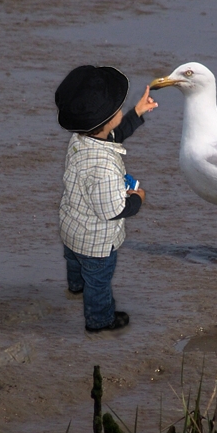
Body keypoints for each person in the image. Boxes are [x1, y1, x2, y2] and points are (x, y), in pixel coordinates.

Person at [55, 65, 158, 333]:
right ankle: (100, 320)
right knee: (99, 281)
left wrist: (136, 114)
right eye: (119, 110)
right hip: (95, 242)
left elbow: (114, 134)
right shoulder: (104, 167)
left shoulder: (81, 138)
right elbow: (112, 210)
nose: (121, 111)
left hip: (71, 225)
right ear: (106, 120)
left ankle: (76, 287)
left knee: (74, 261)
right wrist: (138, 199)